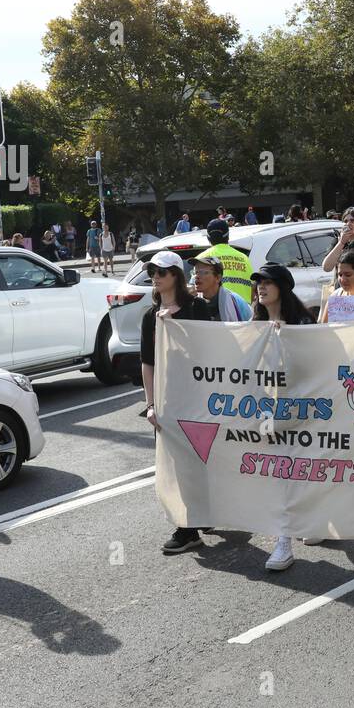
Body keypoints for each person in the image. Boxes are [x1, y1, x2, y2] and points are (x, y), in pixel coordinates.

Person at [143, 251, 215, 556]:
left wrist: (174, 327)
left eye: (162, 272)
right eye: (153, 273)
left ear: (176, 275)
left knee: (205, 459)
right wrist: (150, 404)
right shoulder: (150, 315)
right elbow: (148, 363)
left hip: (197, 397)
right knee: (176, 465)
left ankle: (206, 511)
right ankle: (187, 528)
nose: (156, 278)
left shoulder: (197, 308)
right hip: (168, 399)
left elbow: (211, 352)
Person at [248, 263, 316, 570]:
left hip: (299, 410)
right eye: (258, 283)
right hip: (267, 410)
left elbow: (317, 366)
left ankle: (305, 524)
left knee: (299, 472)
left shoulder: (301, 322)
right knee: (279, 476)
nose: (261, 287)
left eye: (267, 282)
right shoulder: (254, 324)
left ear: (282, 288)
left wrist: (287, 341)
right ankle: (284, 541)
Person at [198, 218, 254, 304]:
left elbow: (195, 289)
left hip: (217, 313)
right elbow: (253, 288)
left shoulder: (202, 258)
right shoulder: (244, 258)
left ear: (208, 238)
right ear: (228, 236)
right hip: (244, 313)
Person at [190, 255, 252, 322]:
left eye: (202, 272)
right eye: (195, 272)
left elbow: (249, 328)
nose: (196, 276)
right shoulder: (192, 301)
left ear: (218, 278)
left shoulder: (235, 302)